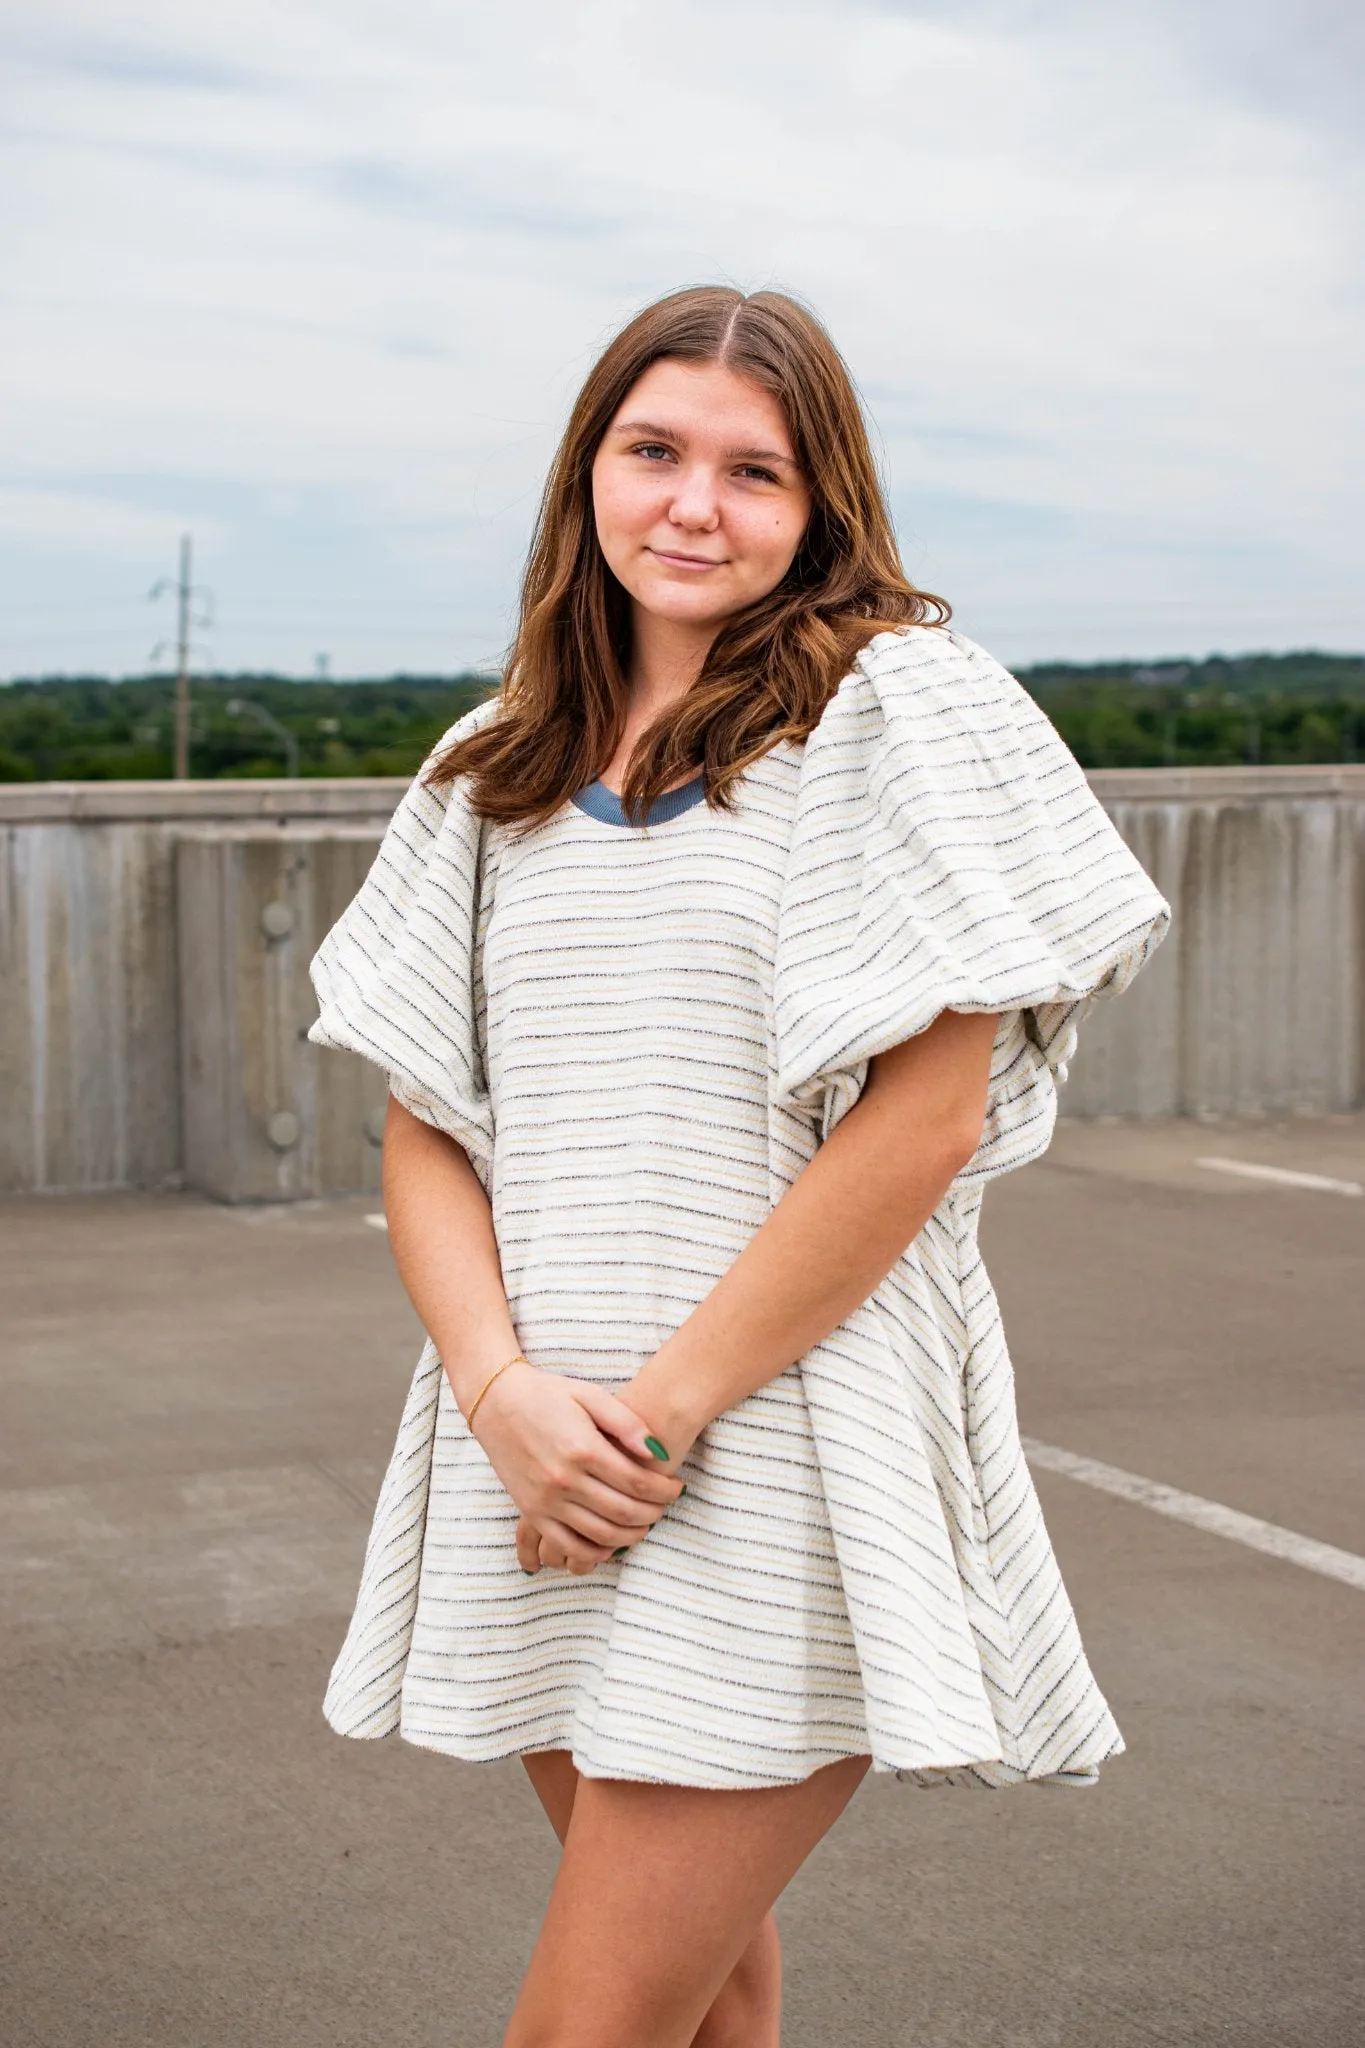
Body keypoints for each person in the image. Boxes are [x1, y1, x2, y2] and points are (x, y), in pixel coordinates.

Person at [309, 284, 1170, 2048]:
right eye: (654, 452)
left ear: (821, 507)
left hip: (767, 1446)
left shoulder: (895, 715)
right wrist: (507, 1403)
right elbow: (421, 1126)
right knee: (704, 2007)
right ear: (588, 476)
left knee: (585, 2029)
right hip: (542, 1456)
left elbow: (922, 1125)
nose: (694, 506)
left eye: (753, 471)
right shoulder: (489, 769)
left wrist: (654, 1421)